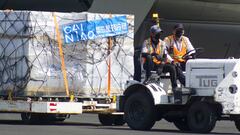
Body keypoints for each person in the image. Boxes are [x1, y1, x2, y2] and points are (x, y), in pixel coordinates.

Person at [141, 25, 184, 95]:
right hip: (149, 64)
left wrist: (161, 65)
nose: (159, 35)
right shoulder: (146, 42)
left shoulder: (162, 43)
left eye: (160, 33)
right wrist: (154, 54)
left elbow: (165, 56)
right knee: (148, 57)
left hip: (158, 64)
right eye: (157, 33)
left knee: (172, 67)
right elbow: (143, 53)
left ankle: (174, 88)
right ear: (152, 34)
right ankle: (147, 78)